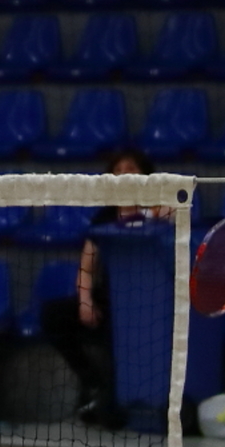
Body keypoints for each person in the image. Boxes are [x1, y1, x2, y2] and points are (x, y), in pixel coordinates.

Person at [38, 148, 167, 427]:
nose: (124, 175)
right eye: (117, 171)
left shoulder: (161, 211)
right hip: (111, 304)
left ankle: (112, 398)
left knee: (111, 418)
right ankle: (91, 381)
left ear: (145, 175)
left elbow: (177, 219)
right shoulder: (104, 218)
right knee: (53, 314)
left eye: (131, 169)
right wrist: (85, 299)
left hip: (151, 305)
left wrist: (155, 211)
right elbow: (86, 268)